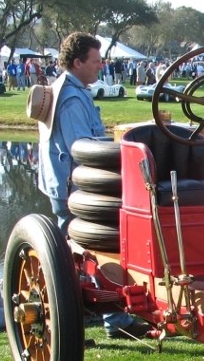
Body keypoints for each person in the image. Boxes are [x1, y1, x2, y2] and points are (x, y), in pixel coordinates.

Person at [36, 32, 146, 339]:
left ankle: (109, 320)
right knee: (84, 255)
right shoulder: (71, 98)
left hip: (71, 188)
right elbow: (81, 148)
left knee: (84, 255)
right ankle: (73, 324)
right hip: (77, 192)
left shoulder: (70, 90)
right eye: (95, 62)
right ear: (77, 62)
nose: (101, 67)